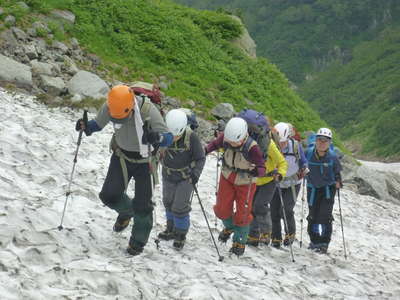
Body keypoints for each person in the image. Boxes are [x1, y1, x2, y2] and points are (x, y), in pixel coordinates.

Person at [75, 85, 173, 256]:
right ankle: (127, 212)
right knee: (108, 195)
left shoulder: (148, 110)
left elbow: (168, 137)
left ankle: (137, 242)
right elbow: (98, 124)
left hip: (146, 161)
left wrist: (157, 137)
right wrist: (86, 127)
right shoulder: (111, 105)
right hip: (121, 156)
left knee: (143, 206)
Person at [205, 117, 266, 256]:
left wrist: (257, 171)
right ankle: (230, 227)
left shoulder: (253, 147)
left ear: (244, 136)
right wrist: (204, 150)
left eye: (235, 142)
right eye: (230, 141)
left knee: (242, 213)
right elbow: (214, 144)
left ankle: (239, 240)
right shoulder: (226, 138)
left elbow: (262, 167)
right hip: (227, 176)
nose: (232, 144)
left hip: (246, 182)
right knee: (221, 210)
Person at [158, 109, 205, 250]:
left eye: (177, 135)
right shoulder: (162, 133)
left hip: (186, 178)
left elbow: (200, 158)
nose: (173, 138)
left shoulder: (192, 138)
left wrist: (196, 174)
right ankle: (170, 229)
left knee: (180, 206)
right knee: (168, 202)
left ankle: (180, 235)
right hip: (168, 174)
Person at [247, 126, 288, 248]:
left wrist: (280, 174)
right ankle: (253, 235)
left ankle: (266, 232)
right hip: (255, 179)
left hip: (269, 179)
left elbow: (282, 162)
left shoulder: (269, 145)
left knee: (259, 205)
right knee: (251, 206)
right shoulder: (247, 143)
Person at [270, 122, 308, 248]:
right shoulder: (271, 146)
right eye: (279, 142)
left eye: (284, 142)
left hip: (293, 183)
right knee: (274, 211)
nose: (281, 145)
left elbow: (303, 161)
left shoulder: (296, 146)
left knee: (286, 209)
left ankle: (290, 234)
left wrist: (304, 168)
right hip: (276, 183)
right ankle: (275, 238)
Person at [305, 128, 342, 253]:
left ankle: (324, 243)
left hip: (328, 190)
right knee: (312, 216)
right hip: (312, 189)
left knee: (324, 217)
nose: (322, 142)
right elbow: (301, 164)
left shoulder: (333, 157)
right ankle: (314, 241)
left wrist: (338, 182)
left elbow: (338, 173)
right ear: (315, 140)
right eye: (319, 139)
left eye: (325, 140)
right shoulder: (308, 153)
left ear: (329, 142)